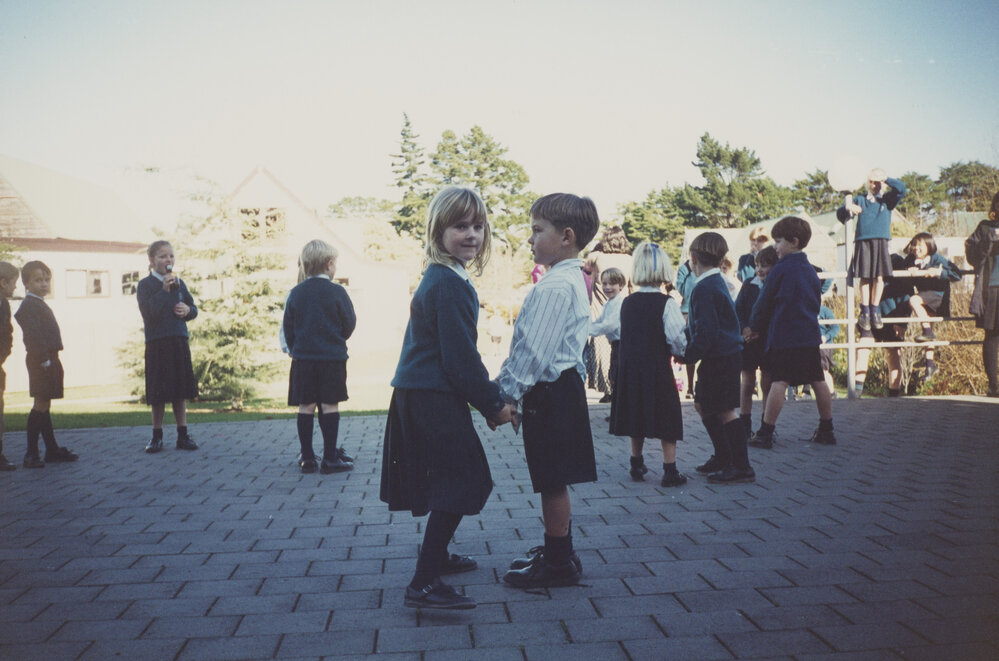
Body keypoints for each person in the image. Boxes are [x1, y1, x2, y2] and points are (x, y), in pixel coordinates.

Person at [380, 187, 513, 610]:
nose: (471, 234)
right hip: (430, 396)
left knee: (452, 478)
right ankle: (423, 583)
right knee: (463, 479)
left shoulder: (447, 276)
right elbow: (460, 360)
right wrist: (494, 404)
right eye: (460, 226)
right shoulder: (448, 283)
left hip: (425, 393)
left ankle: (437, 556)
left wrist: (485, 402)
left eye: (477, 226)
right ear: (438, 231)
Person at [498, 192, 600, 589]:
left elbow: (533, 352)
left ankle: (558, 562)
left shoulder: (554, 287)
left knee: (551, 478)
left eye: (537, 230)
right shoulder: (571, 278)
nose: (530, 238)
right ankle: (560, 548)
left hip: (551, 392)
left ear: (567, 236)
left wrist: (506, 394)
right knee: (553, 476)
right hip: (562, 388)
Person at [747, 216, 835, 447]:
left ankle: (766, 431)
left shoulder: (780, 270)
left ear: (793, 241)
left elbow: (764, 302)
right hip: (808, 335)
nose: (775, 247)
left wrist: (754, 326)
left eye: (778, 241)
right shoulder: (810, 271)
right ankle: (827, 428)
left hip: (784, 336)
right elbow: (816, 300)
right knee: (818, 380)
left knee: (779, 381)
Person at [609, 242, 687, 487]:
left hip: (631, 368)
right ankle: (669, 468)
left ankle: (636, 461)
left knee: (636, 412)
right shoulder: (667, 304)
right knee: (668, 415)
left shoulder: (627, 303)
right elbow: (675, 337)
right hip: (657, 367)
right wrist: (682, 351)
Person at [679, 232, 753, 483]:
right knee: (703, 404)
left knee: (724, 410)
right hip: (723, 355)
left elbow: (707, 329)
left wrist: (689, 354)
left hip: (720, 356)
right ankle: (724, 455)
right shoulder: (716, 281)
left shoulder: (704, 287)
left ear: (694, 258)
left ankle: (741, 466)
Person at [283, 239, 357, 474]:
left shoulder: (296, 293)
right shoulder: (337, 292)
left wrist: (297, 349)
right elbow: (349, 322)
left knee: (306, 406)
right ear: (329, 264)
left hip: (303, 359)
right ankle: (330, 457)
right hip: (331, 359)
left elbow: (288, 326)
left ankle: (307, 458)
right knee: (329, 405)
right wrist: (337, 339)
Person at [137, 241, 200, 453]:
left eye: (171, 256)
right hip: (157, 341)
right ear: (152, 260)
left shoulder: (179, 283)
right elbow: (148, 312)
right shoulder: (145, 285)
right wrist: (164, 291)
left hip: (177, 339)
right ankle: (157, 435)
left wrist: (187, 310)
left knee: (179, 390)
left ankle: (183, 434)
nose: (168, 261)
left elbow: (193, 308)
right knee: (159, 391)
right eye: (163, 256)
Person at [14, 261, 78, 468]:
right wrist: (44, 360)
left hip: (50, 357)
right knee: (40, 404)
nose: (44, 284)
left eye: (46, 280)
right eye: (38, 280)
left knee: (45, 404)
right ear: (26, 283)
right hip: (41, 359)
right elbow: (33, 337)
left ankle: (51, 449)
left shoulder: (39, 303)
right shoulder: (28, 306)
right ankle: (31, 453)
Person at [837, 169, 907, 334]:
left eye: (879, 182)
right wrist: (848, 207)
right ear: (867, 183)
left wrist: (886, 178)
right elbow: (840, 213)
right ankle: (865, 310)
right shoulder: (860, 199)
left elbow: (902, 189)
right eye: (872, 181)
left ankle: (875, 309)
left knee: (879, 277)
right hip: (863, 242)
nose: (875, 185)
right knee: (865, 277)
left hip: (881, 241)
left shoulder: (888, 201)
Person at [583, 226, 632, 402]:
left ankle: (607, 390)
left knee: (603, 353)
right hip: (623, 310)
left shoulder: (596, 257)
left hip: (599, 308)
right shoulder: (630, 260)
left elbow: (585, 269)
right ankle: (616, 391)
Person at [903, 232, 961, 381]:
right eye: (914, 245)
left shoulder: (937, 259)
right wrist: (909, 272)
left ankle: (928, 332)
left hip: (937, 296)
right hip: (925, 296)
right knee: (928, 328)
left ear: (929, 246)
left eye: (920, 245)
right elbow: (902, 270)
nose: (916, 248)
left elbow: (957, 274)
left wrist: (938, 272)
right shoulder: (910, 260)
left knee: (913, 301)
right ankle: (930, 365)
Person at [854, 251, 912, 397]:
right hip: (870, 317)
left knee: (893, 353)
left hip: (892, 315)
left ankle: (893, 395)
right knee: (862, 349)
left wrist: (902, 321)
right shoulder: (867, 259)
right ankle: (857, 392)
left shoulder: (897, 262)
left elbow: (906, 294)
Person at [735, 246, 777, 439]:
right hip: (748, 340)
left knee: (767, 382)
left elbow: (774, 314)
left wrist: (760, 331)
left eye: (765, 265)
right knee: (747, 382)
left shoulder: (775, 286)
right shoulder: (748, 285)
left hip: (766, 339)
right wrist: (745, 329)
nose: (759, 269)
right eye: (757, 265)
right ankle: (744, 423)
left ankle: (766, 422)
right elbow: (739, 309)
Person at [965, 191, 999, 397]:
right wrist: (988, 242)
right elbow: (971, 255)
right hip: (992, 289)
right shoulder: (985, 227)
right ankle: (994, 386)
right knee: (992, 337)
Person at [588, 267, 626, 408]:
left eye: (612, 284)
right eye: (604, 284)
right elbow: (599, 321)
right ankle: (617, 412)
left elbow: (609, 325)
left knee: (619, 378)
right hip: (615, 346)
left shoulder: (619, 303)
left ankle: (621, 413)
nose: (608, 287)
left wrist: (588, 330)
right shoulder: (608, 304)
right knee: (613, 377)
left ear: (621, 285)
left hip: (622, 345)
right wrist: (586, 327)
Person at [0, 262, 18, 471]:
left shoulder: (4, 304)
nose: (15, 287)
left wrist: (2, 356)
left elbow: (7, 334)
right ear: (3, 282)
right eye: (13, 283)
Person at [675, 258, 697, 399]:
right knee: (687, 349)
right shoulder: (684, 269)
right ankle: (689, 387)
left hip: (699, 310)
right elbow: (686, 292)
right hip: (686, 312)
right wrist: (692, 271)